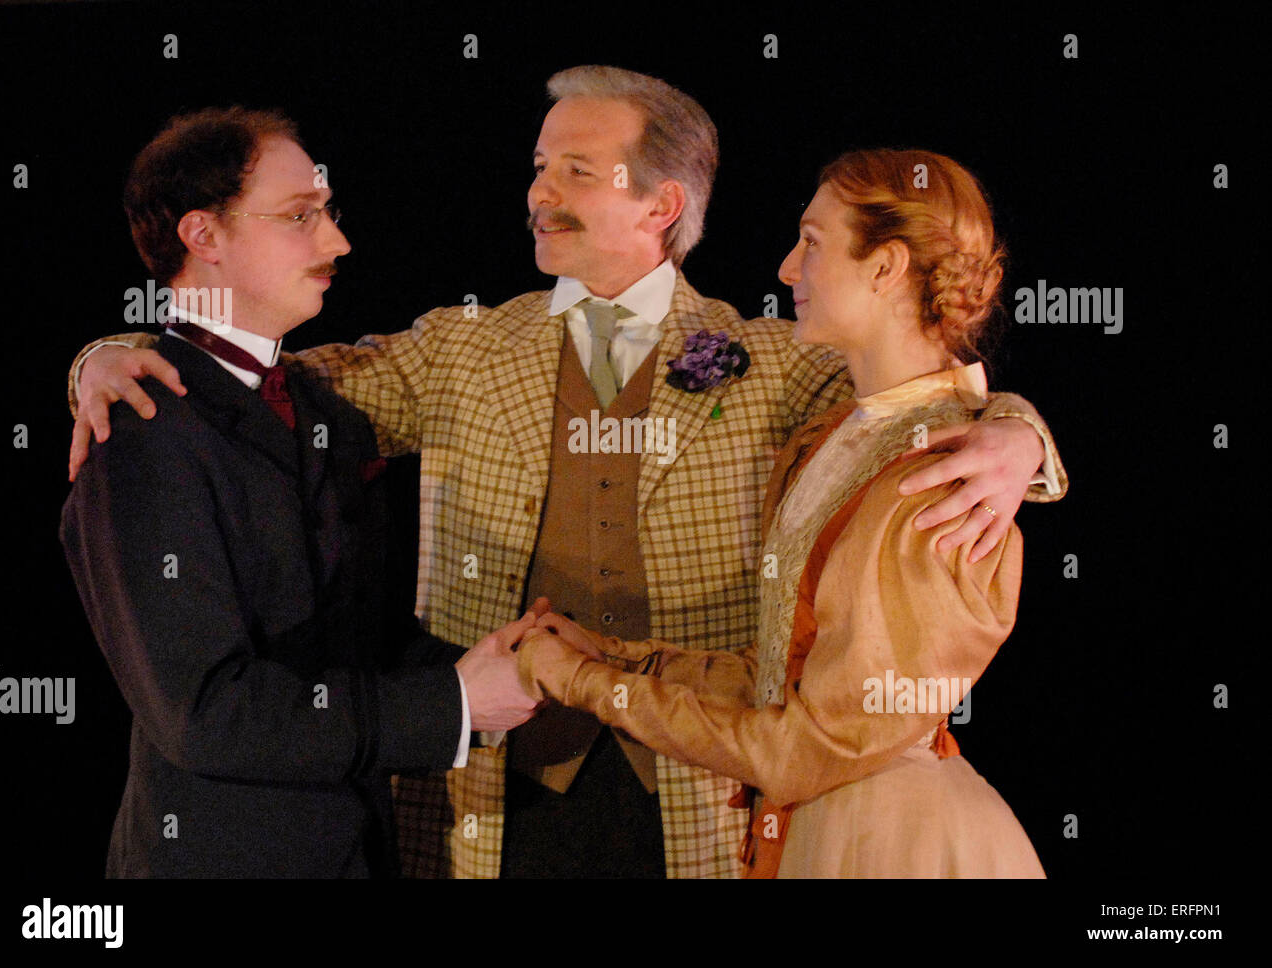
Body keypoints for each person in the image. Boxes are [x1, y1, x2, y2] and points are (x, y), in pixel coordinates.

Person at [63, 68, 1066, 878]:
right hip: (484, 799)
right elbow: (253, 382)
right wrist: (106, 353)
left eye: (577, 170)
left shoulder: (781, 357)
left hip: (697, 804)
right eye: (540, 166)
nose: (539, 192)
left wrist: (1021, 436)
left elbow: (921, 393)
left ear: (662, 202)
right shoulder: (460, 347)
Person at [517, 148, 1046, 877]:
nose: (787, 269)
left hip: (895, 846)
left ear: (886, 268)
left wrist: (586, 685)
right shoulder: (840, 435)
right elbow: (783, 677)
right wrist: (615, 658)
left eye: (813, 243)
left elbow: (802, 748)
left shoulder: (941, 478)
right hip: (824, 827)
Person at [60, 107, 539, 878]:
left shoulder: (328, 419)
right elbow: (206, 715)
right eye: (299, 217)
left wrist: (516, 666)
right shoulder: (143, 433)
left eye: (329, 213)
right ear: (202, 236)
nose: (337, 241)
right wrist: (452, 703)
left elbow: (363, 647)